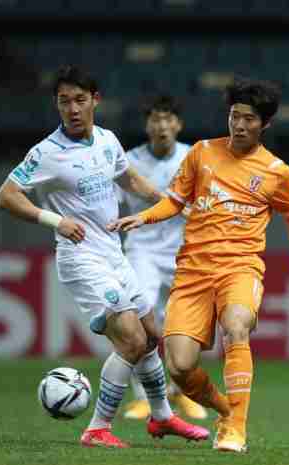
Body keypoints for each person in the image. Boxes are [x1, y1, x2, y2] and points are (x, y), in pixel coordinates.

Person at [0, 65, 209, 449]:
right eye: (64, 102)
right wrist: (54, 220)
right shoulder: (46, 153)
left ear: (95, 100)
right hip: (82, 260)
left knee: (151, 338)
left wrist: (174, 204)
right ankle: (97, 428)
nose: (72, 109)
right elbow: (6, 196)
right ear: (56, 105)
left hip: (115, 255)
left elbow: (131, 181)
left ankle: (161, 418)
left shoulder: (108, 141)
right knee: (130, 339)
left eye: (79, 100)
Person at [109, 78, 289, 453]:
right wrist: (144, 218)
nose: (239, 125)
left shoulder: (277, 172)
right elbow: (174, 201)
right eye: (234, 116)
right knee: (179, 366)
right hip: (192, 272)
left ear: (265, 124)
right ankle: (226, 410)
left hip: (240, 268)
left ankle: (236, 428)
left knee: (236, 327)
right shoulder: (201, 153)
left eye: (249, 119)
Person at [118, 95, 207, 421]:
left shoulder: (194, 158)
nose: (162, 126)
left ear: (178, 124)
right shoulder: (129, 161)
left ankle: (185, 393)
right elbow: (111, 205)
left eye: (168, 119)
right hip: (142, 250)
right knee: (141, 321)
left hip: (186, 252)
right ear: (147, 125)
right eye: (155, 119)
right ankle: (144, 397)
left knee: (188, 326)